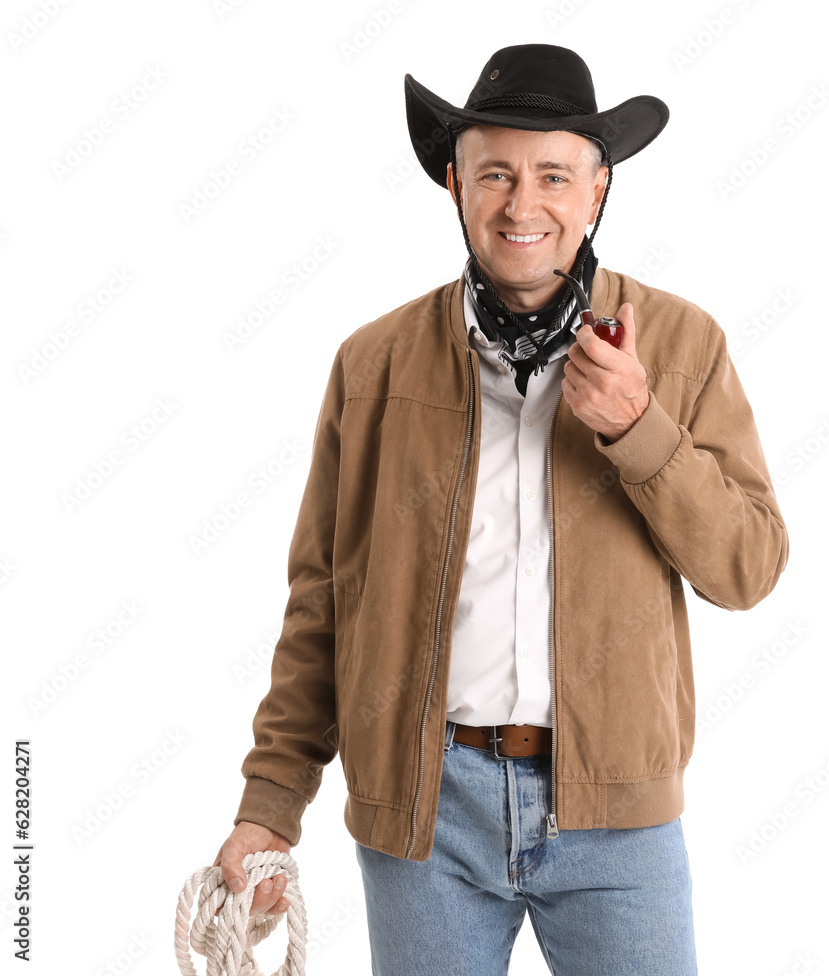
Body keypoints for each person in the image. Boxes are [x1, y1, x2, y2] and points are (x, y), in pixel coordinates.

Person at [214, 43, 789, 974]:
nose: (524, 206)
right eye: (496, 174)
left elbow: (750, 567)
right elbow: (322, 600)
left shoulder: (682, 346)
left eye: (554, 175)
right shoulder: (375, 367)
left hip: (615, 819)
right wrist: (268, 809)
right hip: (425, 816)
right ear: (456, 184)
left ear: (597, 191)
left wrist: (639, 427)